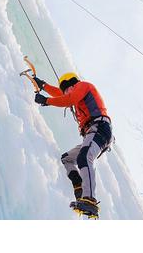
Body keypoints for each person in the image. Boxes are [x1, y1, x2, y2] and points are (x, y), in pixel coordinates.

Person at [33, 72, 112, 214]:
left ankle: (90, 199)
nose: (65, 93)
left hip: (100, 128)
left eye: (66, 89)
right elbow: (61, 94)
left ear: (72, 84)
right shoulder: (74, 92)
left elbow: (69, 98)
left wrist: (46, 101)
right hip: (92, 133)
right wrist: (43, 85)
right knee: (67, 159)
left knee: (84, 157)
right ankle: (79, 186)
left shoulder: (83, 86)